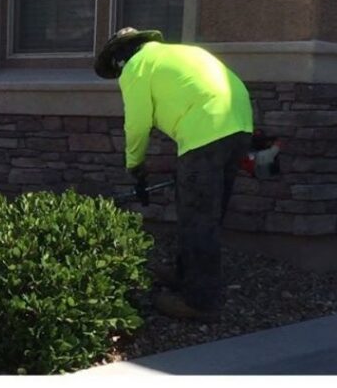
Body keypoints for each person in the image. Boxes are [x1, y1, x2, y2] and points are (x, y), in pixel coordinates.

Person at [95, 27, 254, 321]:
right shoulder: (177, 53)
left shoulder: (136, 66)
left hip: (206, 132)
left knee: (197, 220)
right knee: (205, 214)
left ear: (119, 59)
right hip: (240, 124)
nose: (119, 77)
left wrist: (134, 163)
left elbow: (137, 124)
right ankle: (185, 276)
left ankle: (200, 303)